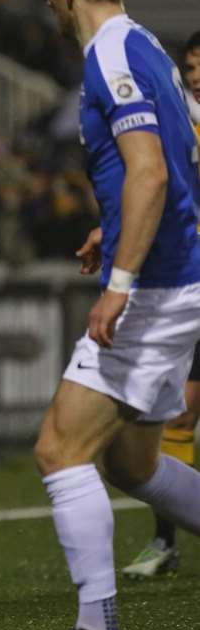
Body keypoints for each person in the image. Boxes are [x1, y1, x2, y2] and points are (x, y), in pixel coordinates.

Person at [8, 0, 200, 630]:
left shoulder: (112, 56)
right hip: (172, 273)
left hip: (153, 288)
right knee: (132, 463)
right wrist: (111, 225)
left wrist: (118, 281)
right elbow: (178, 157)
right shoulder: (145, 44)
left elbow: (150, 172)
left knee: (59, 449)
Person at [121, 29, 200, 579]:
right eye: (191, 65)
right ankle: (164, 539)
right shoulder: (177, 116)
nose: (195, 74)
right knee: (181, 408)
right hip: (193, 282)